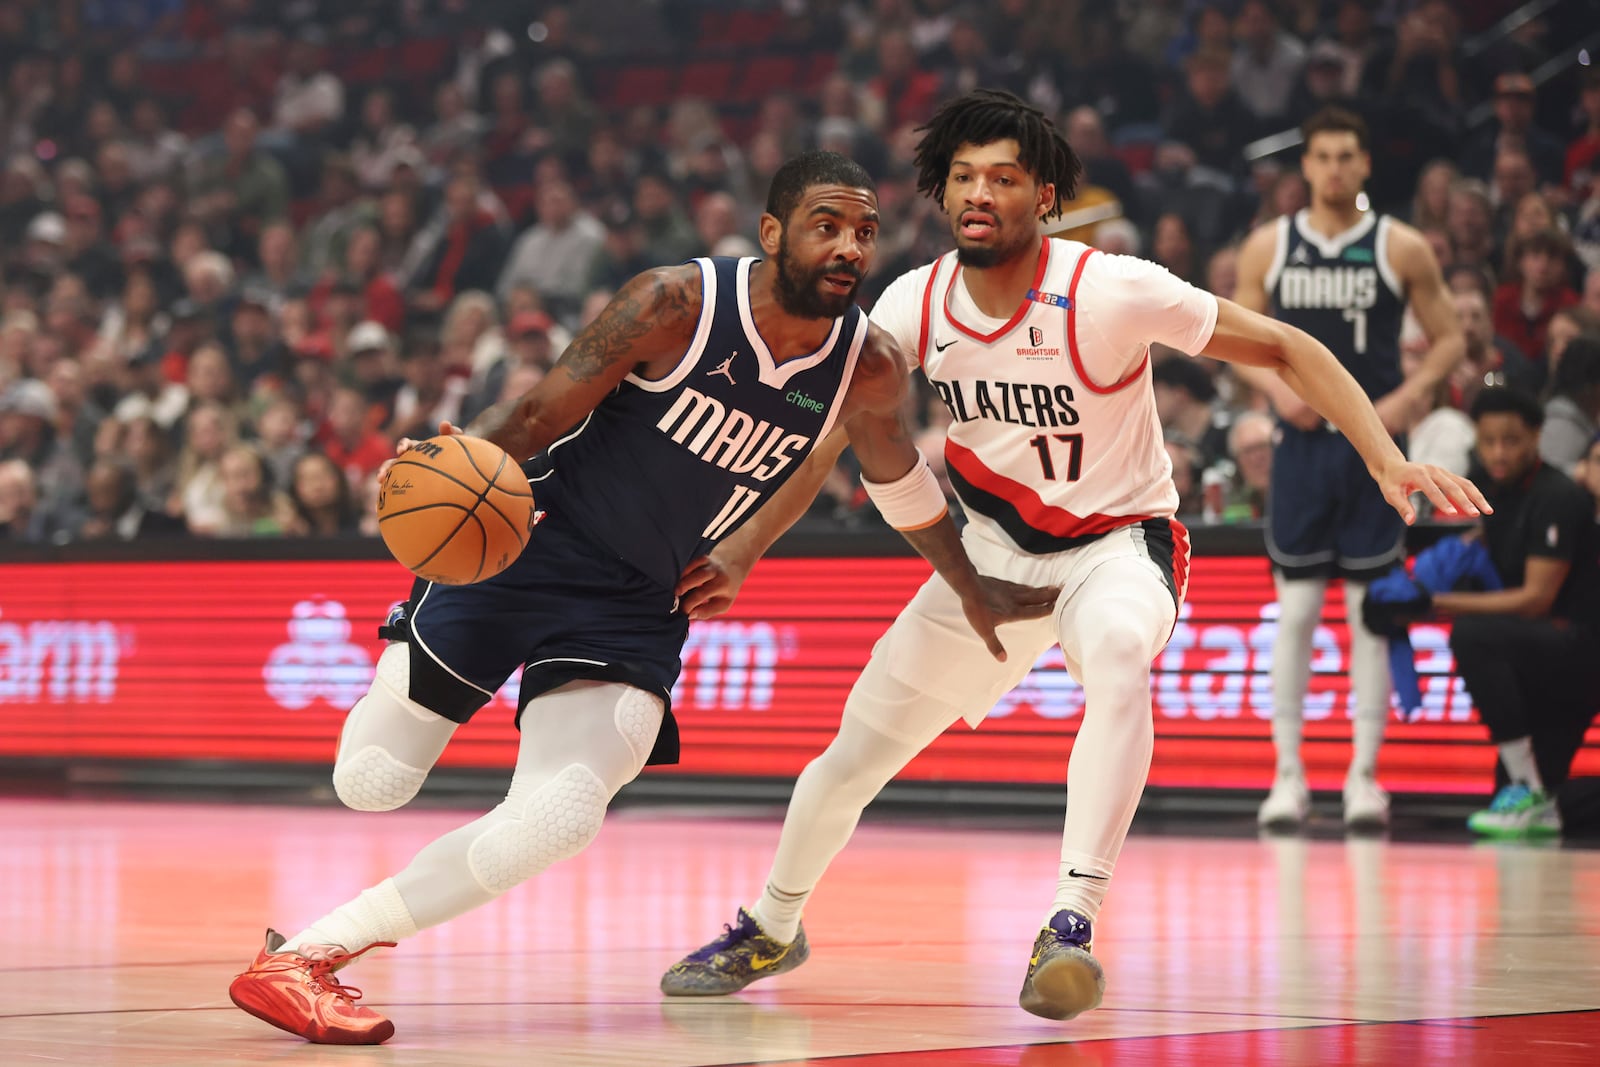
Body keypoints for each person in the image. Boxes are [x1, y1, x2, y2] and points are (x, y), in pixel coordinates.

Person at [660, 89, 1486, 1022]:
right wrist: (745, 548)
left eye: (1003, 177)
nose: (980, 192)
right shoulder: (914, 304)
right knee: (851, 757)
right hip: (988, 560)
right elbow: (833, 440)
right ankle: (773, 922)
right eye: (964, 176)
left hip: (1115, 546)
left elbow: (1286, 347)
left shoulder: (1111, 288)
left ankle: (1071, 919)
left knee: (1121, 660)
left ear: (1044, 196)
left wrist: (1384, 455)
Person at [226, 151, 1057, 1046]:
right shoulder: (676, 303)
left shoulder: (870, 366)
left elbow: (894, 483)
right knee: (372, 781)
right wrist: (444, 465)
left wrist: (964, 584)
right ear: (774, 233)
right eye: (827, 225)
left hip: (638, 601)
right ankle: (389, 708)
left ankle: (307, 956)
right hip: (530, 544)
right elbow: (543, 412)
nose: (849, 246)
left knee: (558, 816)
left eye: (864, 231)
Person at [1231, 106, 1466, 831]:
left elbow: (1453, 338)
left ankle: (1364, 776)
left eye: (1346, 156)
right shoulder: (1269, 245)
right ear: (1305, 167)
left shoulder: (1400, 246)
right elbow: (1236, 338)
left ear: (1364, 165)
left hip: (1373, 449)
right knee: (1297, 612)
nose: (1334, 168)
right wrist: (1278, 393)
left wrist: (1404, 399)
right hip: (1300, 448)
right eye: (1323, 156)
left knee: (1372, 615)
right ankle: (1288, 775)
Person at [1438, 390, 1598, 836]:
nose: (1498, 452)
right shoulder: (1487, 489)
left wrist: (1436, 604)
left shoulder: (1559, 496)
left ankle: (1527, 787)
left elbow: (1536, 599)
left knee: (1471, 635)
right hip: (1536, 659)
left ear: (1536, 436)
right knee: (1535, 803)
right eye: (1488, 441)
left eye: (1510, 440)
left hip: (1577, 653)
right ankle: (1531, 790)